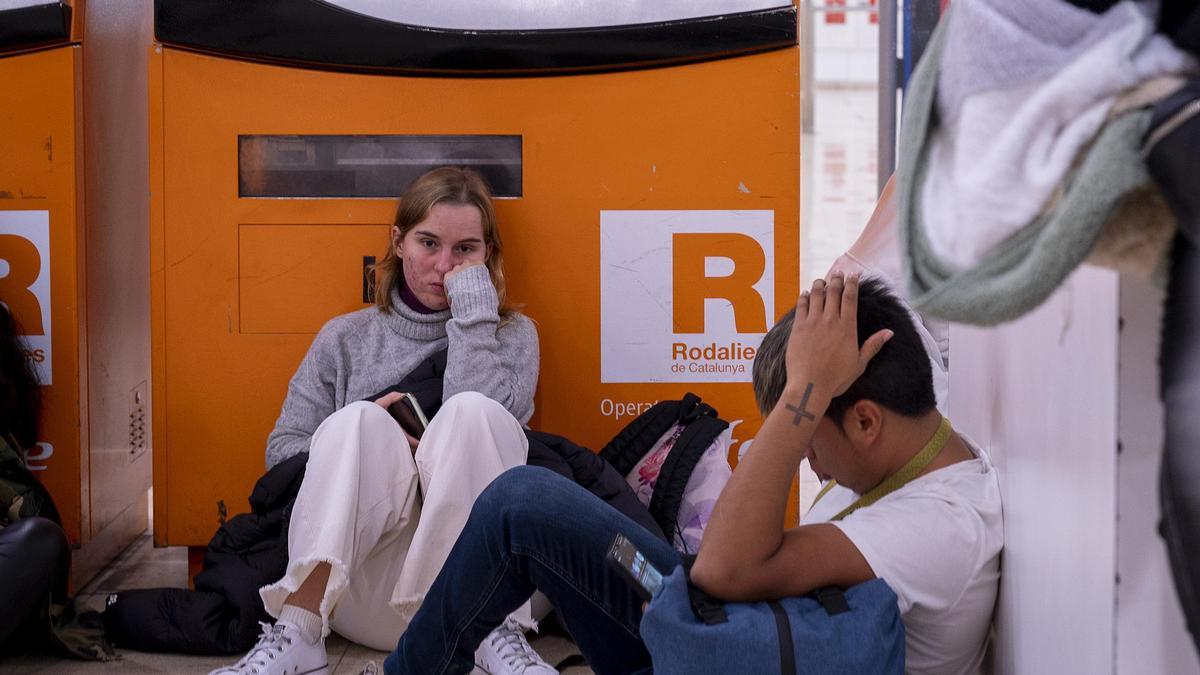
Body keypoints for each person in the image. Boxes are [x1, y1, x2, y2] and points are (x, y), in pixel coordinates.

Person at [381, 274, 1003, 675]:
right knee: (527, 504)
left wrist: (805, 394)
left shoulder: (940, 526)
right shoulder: (908, 434)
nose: (808, 460)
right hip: (714, 631)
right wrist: (809, 380)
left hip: (734, 647)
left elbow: (723, 573)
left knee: (522, 501)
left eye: (808, 433)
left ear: (864, 422)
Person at [212, 167, 554, 675]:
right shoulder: (345, 338)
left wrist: (473, 316)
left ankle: (492, 632)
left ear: (488, 256)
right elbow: (281, 452)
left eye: (466, 250)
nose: (444, 265)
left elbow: (500, 434)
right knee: (358, 423)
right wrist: (369, 446)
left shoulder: (514, 336)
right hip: (363, 588)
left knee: (473, 412)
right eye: (429, 242)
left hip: (485, 595)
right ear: (398, 242)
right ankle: (298, 631)